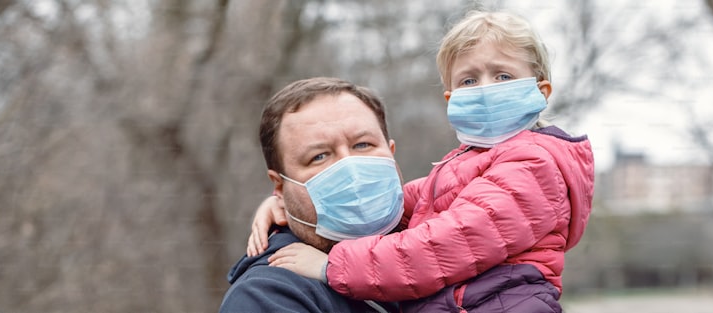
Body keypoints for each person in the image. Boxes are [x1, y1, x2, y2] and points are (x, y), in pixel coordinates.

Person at [250, 10, 595, 312]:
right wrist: (291, 204)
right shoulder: (469, 162)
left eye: (502, 76)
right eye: (468, 80)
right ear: (450, 97)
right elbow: (399, 205)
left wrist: (331, 267)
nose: (484, 88)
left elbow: (438, 248)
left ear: (541, 90)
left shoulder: (533, 166)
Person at [219, 77, 402, 313]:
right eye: (319, 156)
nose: (351, 170)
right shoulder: (268, 296)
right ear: (280, 187)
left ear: (391, 152)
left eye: (363, 145)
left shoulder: (438, 239)